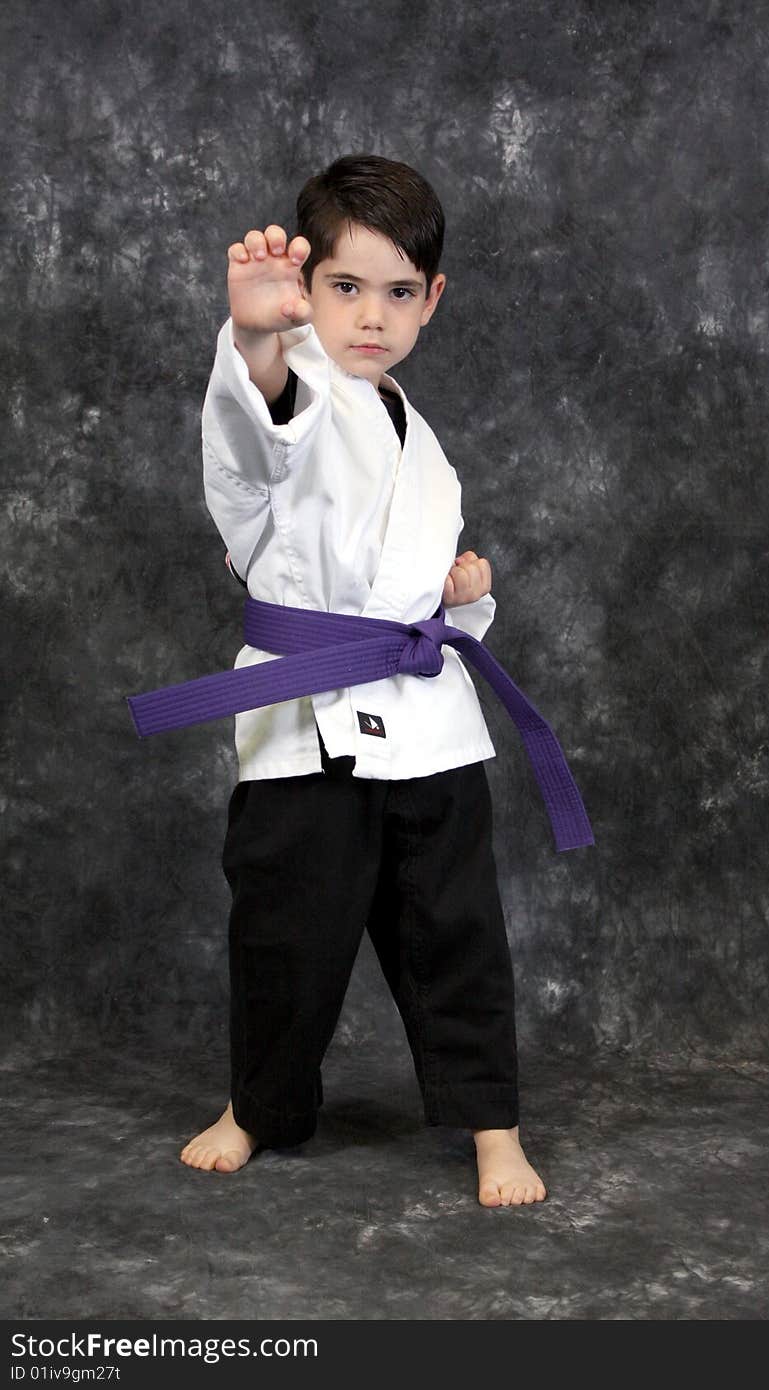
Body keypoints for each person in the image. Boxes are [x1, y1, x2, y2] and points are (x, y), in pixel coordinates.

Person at [178, 153, 546, 1206]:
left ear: (431, 300)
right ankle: (259, 1106)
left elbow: (409, 591)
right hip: (307, 721)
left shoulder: (419, 439)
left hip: (428, 723)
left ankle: (491, 1123)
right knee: (286, 933)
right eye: (344, 288)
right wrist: (255, 339)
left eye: (397, 292)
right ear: (308, 293)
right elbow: (260, 440)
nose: (370, 317)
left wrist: (461, 597)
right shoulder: (295, 395)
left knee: (459, 931)